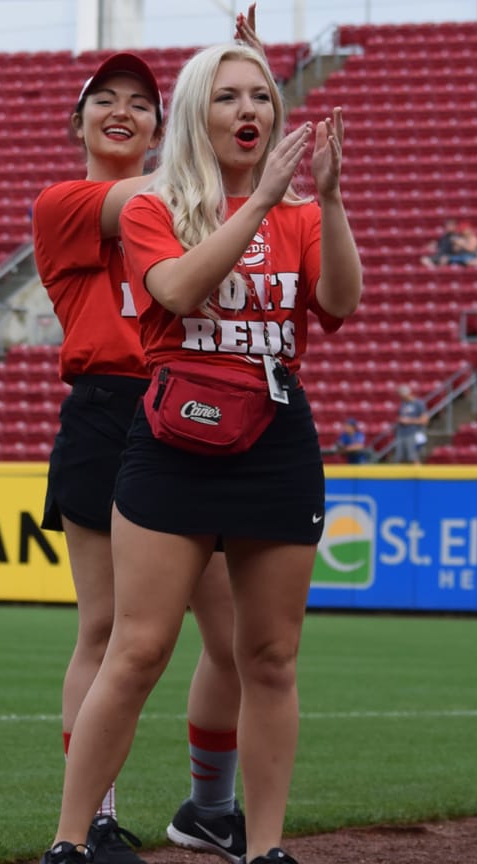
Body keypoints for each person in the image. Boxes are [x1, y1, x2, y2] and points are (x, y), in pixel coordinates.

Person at [41, 38, 362, 864]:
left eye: (260, 98)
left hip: (269, 424)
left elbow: (341, 304)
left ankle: (248, 836)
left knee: (262, 651)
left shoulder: (288, 211)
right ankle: (78, 835)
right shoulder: (141, 204)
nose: (247, 111)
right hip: (158, 416)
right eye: (226, 99)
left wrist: (324, 199)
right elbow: (178, 289)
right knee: (127, 638)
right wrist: (247, 183)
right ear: (191, 116)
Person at [31, 48, 245, 864]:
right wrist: (221, 114)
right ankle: (94, 820)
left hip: (190, 407)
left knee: (231, 638)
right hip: (110, 412)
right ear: (77, 120)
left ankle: (208, 807)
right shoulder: (68, 202)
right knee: (108, 630)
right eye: (104, 100)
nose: (122, 111)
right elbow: (184, 191)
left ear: (160, 125)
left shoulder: (184, 203)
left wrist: (239, 88)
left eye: (143, 103)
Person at [391, 384, 427, 464]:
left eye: (401, 393)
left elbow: (424, 421)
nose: (400, 396)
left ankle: (419, 475)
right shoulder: (402, 404)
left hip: (413, 433)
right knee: (400, 458)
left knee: (414, 457)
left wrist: (409, 420)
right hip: (401, 433)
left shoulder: (418, 403)